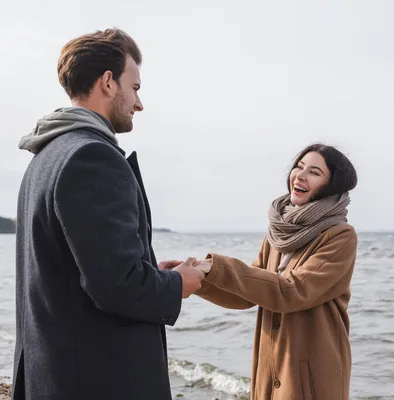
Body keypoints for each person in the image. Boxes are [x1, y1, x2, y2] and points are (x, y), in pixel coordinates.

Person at [13, 28, 205, 400]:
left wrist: (152, 273)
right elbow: (116, 286)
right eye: (134, 88)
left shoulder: (45, 157)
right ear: (107, 83)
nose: (139, 102)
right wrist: (179, 284)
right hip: (98, 380)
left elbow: (80, 272)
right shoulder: (92, 157)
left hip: (55, 374)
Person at [161, 143, 358, 400]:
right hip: (270, 369)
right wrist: (199, 275)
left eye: (314, 172)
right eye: (298, 167)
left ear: (331, 186)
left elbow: (292, 290)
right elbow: (248, 293)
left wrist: (217, 266)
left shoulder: (340, 236)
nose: (299, 175)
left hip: (312, 376)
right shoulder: (278, 235)